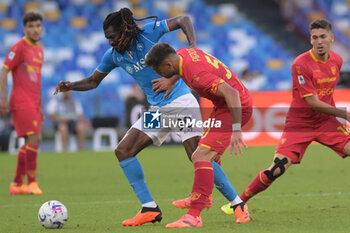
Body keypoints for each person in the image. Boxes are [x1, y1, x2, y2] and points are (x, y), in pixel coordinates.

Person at [54, 8, 242, 226]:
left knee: (198, 156)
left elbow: (183, 19)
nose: (110, 43)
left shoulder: (148, 33)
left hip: (181, 104)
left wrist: (192, 48)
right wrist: (71, 86)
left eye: (112, 37)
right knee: (124, 150)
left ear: (125, 30)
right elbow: (93, 81)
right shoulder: (114, 56)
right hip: (159, 111)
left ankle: (238, 204)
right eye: (107, 39)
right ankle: (149, 208)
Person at [237, 18, 350, 205]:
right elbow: (313, 102)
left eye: (323, 37)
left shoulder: (337, 61)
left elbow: (326, 94)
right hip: (300, 124)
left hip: (325, 123)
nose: (319, 41)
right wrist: (344, 114)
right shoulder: (301, 64)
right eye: (315, 38)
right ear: (310, 40)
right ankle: (239, 202)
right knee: (277, 169)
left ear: (331, 38)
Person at [145, 42, 252, 228]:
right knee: (208, 154)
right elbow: (182, 68)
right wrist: (170, 81)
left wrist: (236, 129)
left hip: (235, 107)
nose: (157, 73)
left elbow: (232, 93)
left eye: (158, 69)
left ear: (168, 65)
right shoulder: (182, 54)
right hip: (223, 106)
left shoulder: (196, 76)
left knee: (200, 155)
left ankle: (194, 216)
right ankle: (211, 198)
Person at [0, 12, 44, 195]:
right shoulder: (19, 47)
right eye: (31, 26)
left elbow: (37, 80)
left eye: (38, 26)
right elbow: (4, 71)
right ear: (24, 28)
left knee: (29, 141)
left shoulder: (39, 50)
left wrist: (39, 105)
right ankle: (31, 182)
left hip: (33, 102)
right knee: (35, 138)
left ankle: (17, 184)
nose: (35, 29)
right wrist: (2, 97)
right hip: (20, 100)